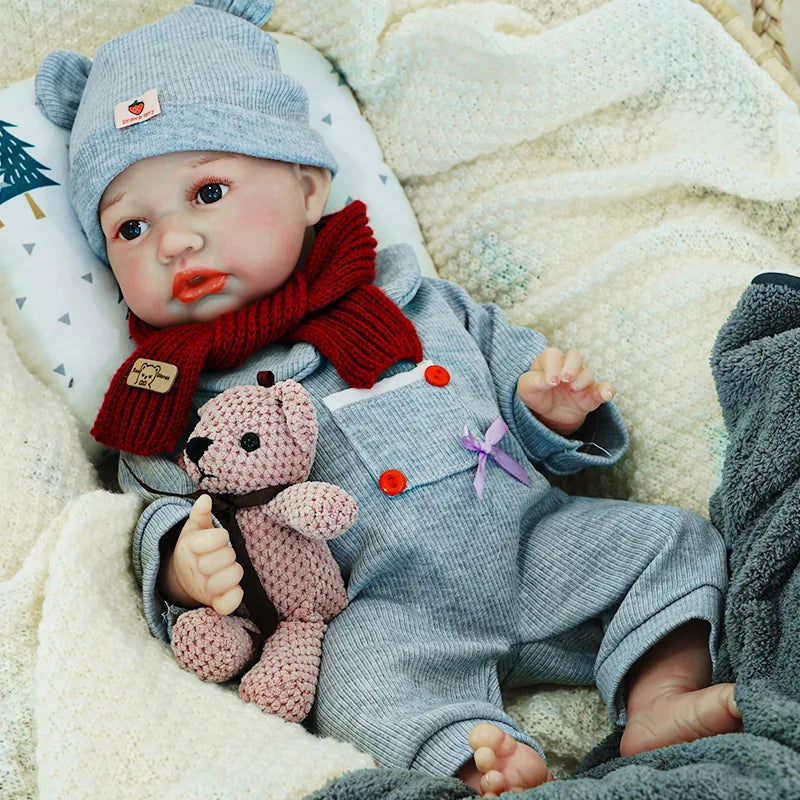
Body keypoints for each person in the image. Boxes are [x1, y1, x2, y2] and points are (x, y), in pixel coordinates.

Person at [35, 1, 741, 795]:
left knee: (671, 543)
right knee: (354, 692)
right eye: (129, 229)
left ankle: (659, 698)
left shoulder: (414, 299)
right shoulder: (165, 396)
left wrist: (547, 407)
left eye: (207, 193)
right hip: (384, 611)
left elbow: (509, 393)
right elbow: (156, 502)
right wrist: (180, 569)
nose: (173, 241)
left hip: (534, 543)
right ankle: (478, 762)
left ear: (307, 189)